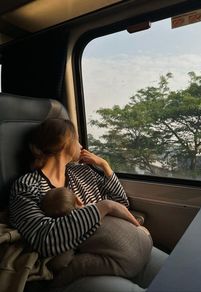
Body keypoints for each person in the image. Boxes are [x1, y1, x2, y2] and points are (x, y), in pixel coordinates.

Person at [9, 118, 168, 292]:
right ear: (65, 143)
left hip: (121, 247)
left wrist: (105, 167)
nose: (81, 145)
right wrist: (102, 208)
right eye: (77, 140)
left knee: (174, 274)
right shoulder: (27, 185)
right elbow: (44, 239)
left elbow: (121, 203)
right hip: (83, 266)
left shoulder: (81, 172)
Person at [41, 187, 153, 287]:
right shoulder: (96, 207)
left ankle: (54, 287)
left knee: (79, 265)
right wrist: (138, 227)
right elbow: (121, 211)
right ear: (78, 200)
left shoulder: (68, 234)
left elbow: (61, 262)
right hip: (146, 241)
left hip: (129, 263)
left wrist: (55, 280)